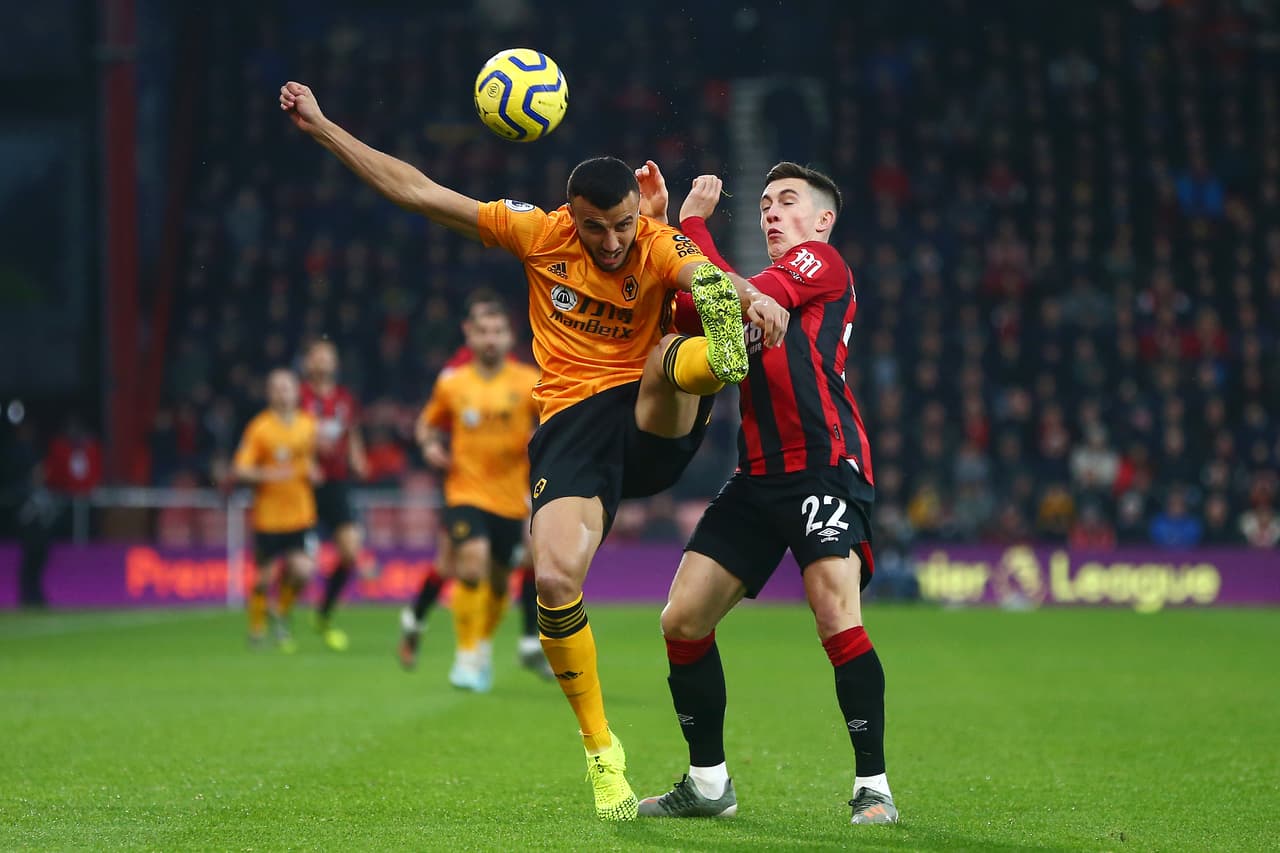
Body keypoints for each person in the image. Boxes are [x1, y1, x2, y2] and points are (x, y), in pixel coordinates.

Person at [280, 80, 788, 821]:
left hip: (654, 416)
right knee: (552, 580)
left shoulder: (652, 240)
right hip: (571, 427)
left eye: (620, 225)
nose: (611, 241)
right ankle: (601, 752)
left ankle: (724, 355)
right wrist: (324, 126)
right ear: (570, 215)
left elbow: (699, 269)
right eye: (595, 227)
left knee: (678, 336)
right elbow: (421, 192)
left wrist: (748, 294)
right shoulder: (537, 232)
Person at [636, 163, 897, 825]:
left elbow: (739, 293)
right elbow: (694, 298)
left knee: (836, 615)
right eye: (764, 205)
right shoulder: (749, 288)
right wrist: (661, 226)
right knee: (682, 620)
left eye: (787, 202)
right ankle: (708, 782)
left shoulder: (821, 262)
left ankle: (875, 786)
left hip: (823, 467)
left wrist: (693, 223)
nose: (771, 213)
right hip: (756, 475)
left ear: (822, 220)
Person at [399, 294, 551, 682]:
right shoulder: (453, 383)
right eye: (483, 331)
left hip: (510, 498)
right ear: (469, 335)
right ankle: (466, 656)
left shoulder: (528, 380)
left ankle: (478, 646)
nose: (490, 339)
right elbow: (426, 423)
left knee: (500, 581)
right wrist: (429, 444)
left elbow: (553, 422)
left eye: (497, 331)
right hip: (464, 492)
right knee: (470, 565)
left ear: (508, 337)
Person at [232, 368, 320, 653]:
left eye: (287, 387)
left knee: (303, 571)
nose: (283, 393)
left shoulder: (309, 425)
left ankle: (281, 613)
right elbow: (240, 469)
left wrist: (315, 471)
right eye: (277, 388)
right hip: (268, 517)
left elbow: (314, 462)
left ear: (297, 392)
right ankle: (256, 630)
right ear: (269, 393)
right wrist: (270, 475)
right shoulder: (259, 428)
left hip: (300, 514)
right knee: (263, 578)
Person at [300, 339, 370, 652]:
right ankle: (277, 618)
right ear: (308, 363)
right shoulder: (299, 396)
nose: (324, 361)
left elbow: (351, 431)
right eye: (318, 355)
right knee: (298, 562)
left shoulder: (344, 399)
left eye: (329, 356)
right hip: (303, 484)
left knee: (350, 552)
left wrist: (358, 457)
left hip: (337, 483)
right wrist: (308, 461)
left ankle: (324, 614)